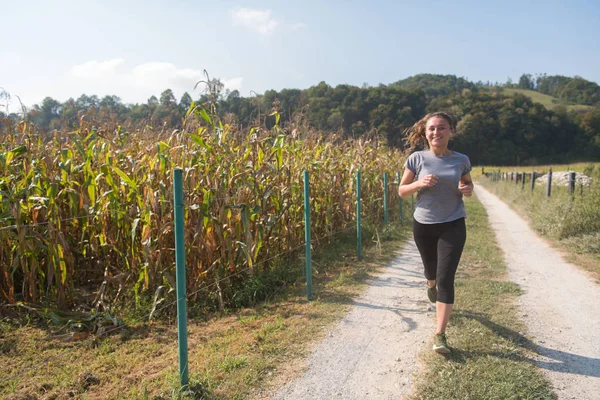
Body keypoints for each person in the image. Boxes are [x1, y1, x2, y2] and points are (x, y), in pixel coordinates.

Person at [398, 111, 473, 354]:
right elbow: (402, 191)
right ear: (425, 133)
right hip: (424, 224)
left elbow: (467, 183)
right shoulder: (417, 159)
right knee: (431, 272)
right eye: (432, 128)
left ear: (451, 131)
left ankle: (440, 335)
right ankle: (429, 282)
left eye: (442, 128)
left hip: (453, 223)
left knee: (445, 279)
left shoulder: (461, 159)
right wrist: (419, 183)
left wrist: (467, 188)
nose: (436, 132)